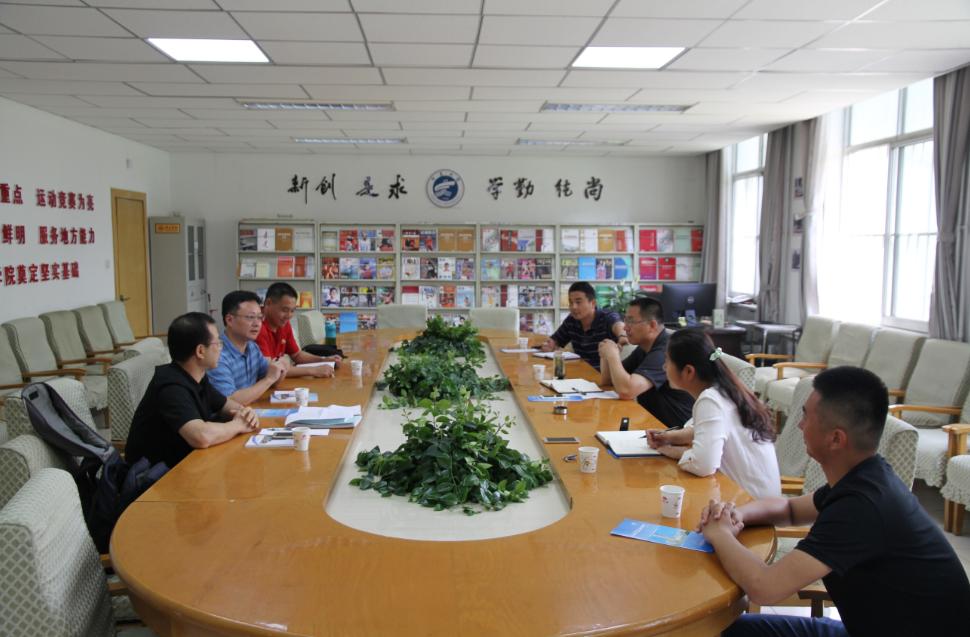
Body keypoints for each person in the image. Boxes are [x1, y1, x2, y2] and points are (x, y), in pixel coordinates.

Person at [698, 367, 970, 637]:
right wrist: (735, 514)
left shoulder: (862, 507)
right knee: (722, 631)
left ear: (836, 438)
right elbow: (789, 509)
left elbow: (765, 587)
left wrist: (720, 534)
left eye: (806, 416)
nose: (799, 425)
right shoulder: (865, 478)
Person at [645, 330, 780, 498]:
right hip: (757, 499)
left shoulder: (710, 400)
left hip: (749, 503)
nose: (664, 367)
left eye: (667, 360)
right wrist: (668, 438)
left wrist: (670, 451)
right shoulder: (726, 390)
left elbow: (703, 465)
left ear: (688, 371)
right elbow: (704, 432)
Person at [125, 312, 260, 469]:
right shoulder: (170, 387)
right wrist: (238, 425)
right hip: (155, 477)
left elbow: (226, 405)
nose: (221, 349)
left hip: (186, 463)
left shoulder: (197, 377)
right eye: (218, 343)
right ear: (200, 351)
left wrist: (245, 413)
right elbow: (201, 436)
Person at [599, 297, 693, 428]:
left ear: (652, 325)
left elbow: (627, 391)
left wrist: (613, 356)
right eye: (625, 321)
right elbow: (608, 381)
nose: (625, 328)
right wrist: (606, 356)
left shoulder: (666, 350)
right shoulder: (644, 347)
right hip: (653, 426)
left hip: (674, 430)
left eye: (631, 321)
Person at [208, 290, 286, 405]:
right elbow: (228, 402)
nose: (257, 324)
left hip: (252, 410)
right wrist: (269, 379)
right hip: (232, 415)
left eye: (260, 317)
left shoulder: (252, 347)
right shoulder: (217, 355)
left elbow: (271, 381)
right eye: (250, 317)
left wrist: (281, 368)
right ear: (229, 320)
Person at [257, 282, 341, 379]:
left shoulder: (283, 324)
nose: (289, 316)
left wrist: (324, 360)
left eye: (292, 311)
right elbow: (269, 370)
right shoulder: (256, 327)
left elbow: (297, 355)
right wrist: (313, 370)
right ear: (268, 303)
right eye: (285, 310)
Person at [540, 281, 627, 370]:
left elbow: (618, 325)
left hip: (604, 374)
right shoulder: (571, 320)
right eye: (571, 302)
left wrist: (622, 336)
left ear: (593, 303)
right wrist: (550, 345)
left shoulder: (607, 317)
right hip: (581, 372)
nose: (573, 307)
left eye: (578, 302)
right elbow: (556, 340)